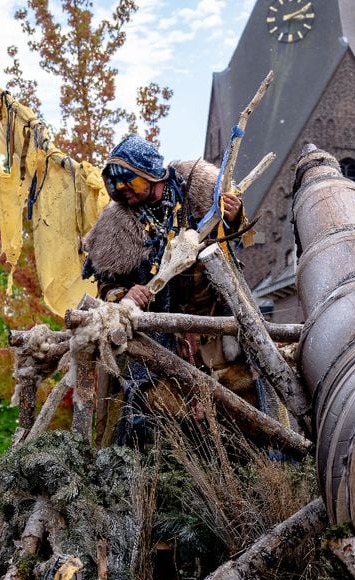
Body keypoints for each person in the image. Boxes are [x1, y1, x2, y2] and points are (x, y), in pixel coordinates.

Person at [81, 135, 251, 446]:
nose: (124, 191)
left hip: (216, 322)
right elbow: (107, 282)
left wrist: (233, 215)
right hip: (159, 336)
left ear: (151, 174)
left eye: (131, 182)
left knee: (243, 401)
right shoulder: (116, 222)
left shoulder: (198, 187)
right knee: (157, 416)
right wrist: (125, 295)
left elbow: (235, 239)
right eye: (117, 186)